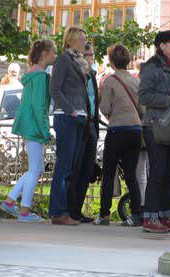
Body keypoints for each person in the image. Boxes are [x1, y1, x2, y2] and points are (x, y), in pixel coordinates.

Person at [0, 39, 57, 222]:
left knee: (35, 168)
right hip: (34, 126)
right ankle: (24, 210)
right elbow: (40, 106)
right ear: (45, 55)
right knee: (35, 170)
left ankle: (11, 202)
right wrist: (45, 130)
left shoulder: (33, 75)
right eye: (54, 53)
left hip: (28, 125)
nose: (56, 56)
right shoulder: (41, 78)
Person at [139, 30, 170, 233]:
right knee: (158, 171)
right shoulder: (152, 67)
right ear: (161, 46)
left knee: (169, 172)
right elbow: (144, 96)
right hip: (155, 125)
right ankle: (150, 217)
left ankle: (166, 215)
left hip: (169, 125)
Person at [96, 43, 143, 226]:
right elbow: (142, 108)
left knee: (108, 172)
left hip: (117, 130)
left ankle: (104, 214)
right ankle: (136, 213)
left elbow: (105, 107)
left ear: (111, 61)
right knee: (131, 174)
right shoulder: (136, 81)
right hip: (135, 130)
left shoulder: (110, 81)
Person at [49, 26, 88, 226]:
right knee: (64, 167)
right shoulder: (64, 60)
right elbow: (55, 89)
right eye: (81, 39)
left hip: (78, 116)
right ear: (71, 40)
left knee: (71, 166)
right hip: (67, 117)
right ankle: (58, 212)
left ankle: (65, 211)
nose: (85, 42)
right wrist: (71, 110)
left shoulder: (78, 61)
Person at [72, 42, 100, 223]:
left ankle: (78, 210)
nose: (91, 59)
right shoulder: (78, 76)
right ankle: (70, 210)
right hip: (80, 123)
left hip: (91, 125)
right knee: (76, 168)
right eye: (88, 55)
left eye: (92, 55)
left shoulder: (93, 76)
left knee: (87, 169)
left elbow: (95, 102)